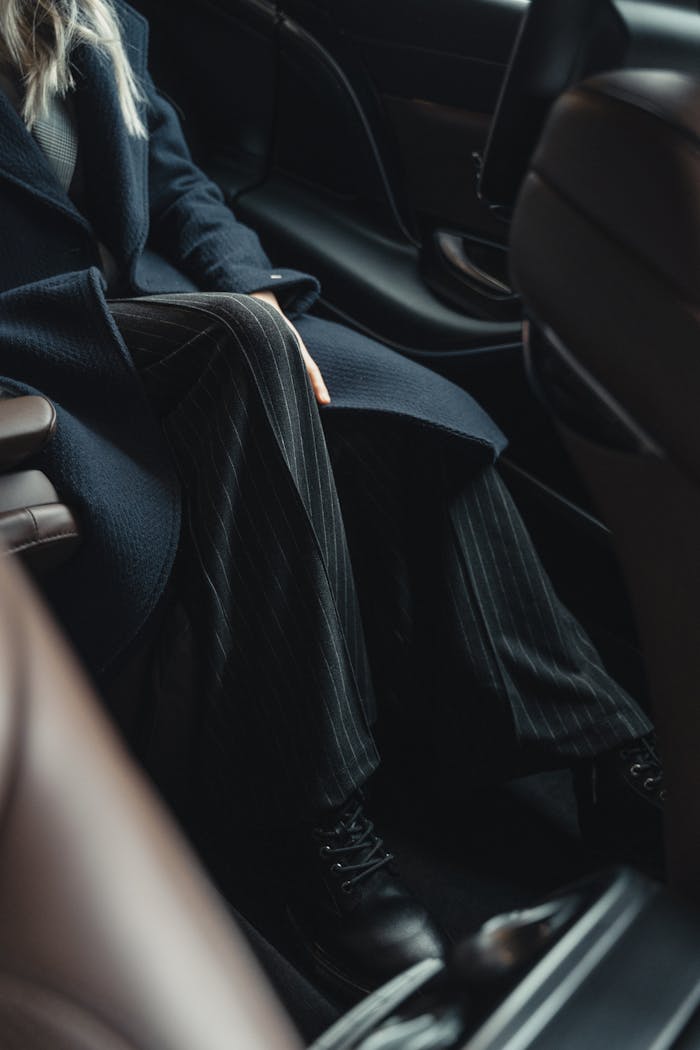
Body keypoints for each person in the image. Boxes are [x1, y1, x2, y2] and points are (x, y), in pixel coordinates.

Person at [0, 0, 664, 999]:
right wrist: (240, 323)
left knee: (400, 409)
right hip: (34, 349)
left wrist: (251, 285)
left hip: (156, 307)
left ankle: (607, 755)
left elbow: (174, 177)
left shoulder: (93, 9)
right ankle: (310, 836)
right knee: (242, 349)